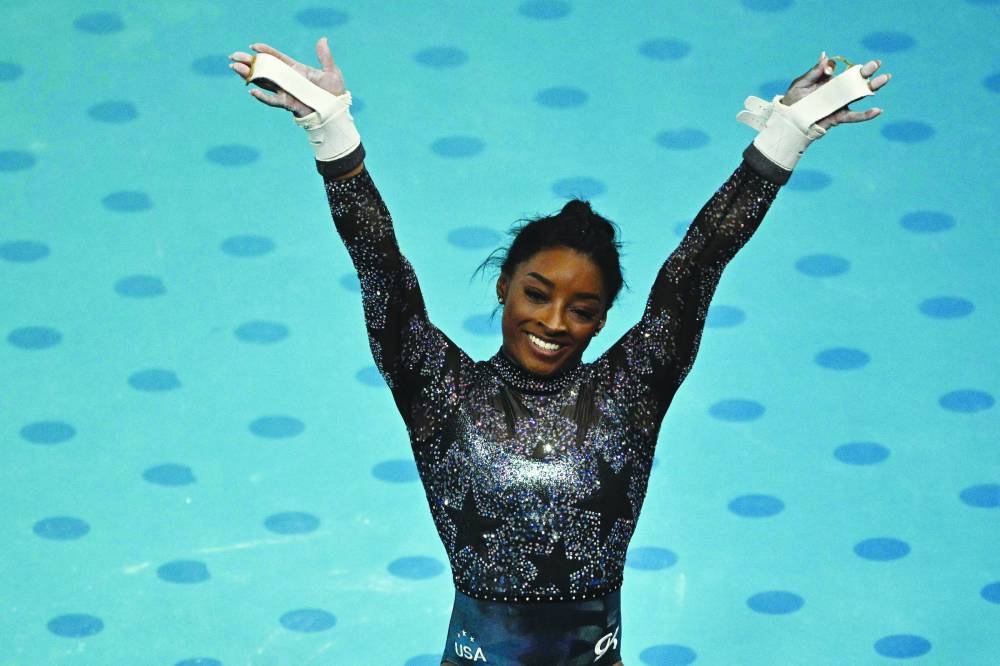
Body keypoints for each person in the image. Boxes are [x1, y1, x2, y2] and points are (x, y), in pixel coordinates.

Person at [228, 38, 890, 666]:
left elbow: (699, 262)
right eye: (537, 295)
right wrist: (331, 131)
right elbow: (379, 264)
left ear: (603, 321)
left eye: (581, 308)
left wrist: (786, 133)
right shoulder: (439, 389)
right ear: (503, 288)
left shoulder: (631, 392)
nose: (553, 322)